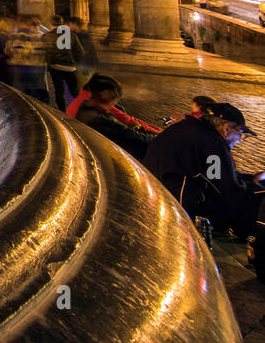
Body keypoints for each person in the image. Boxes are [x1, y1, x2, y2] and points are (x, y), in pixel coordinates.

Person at [143, 102, 265, 235]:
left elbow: (215, 174)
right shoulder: (213, 144)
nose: (240, 139)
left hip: (157, 194)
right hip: (183, 207)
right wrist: (255, 185)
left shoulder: (183, 128)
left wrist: (250, 178)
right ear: (226, 127)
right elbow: (229, 190)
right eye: (240, 133)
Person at [65, 73, 160, 158]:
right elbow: (129, 133)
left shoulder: (88, 103)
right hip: (108, 151)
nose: (115, 94)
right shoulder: (97, 115)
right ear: (103, 92)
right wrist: (158, 136)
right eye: (113, 92)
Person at [3, 16, 50, 103]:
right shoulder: (43, 38)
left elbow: (7, 50)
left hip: (20, 67)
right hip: (38, 68)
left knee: (22, 91)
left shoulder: (17, 36)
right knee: (38, 90)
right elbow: (49, 53)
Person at [43, 14, 82, 111]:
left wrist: (49, 63)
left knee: (59, 91)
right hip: (70, 67)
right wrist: (74, 62)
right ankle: (77, 110)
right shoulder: (71, 35)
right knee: (74, 92)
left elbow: (44, 53)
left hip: (55, 67)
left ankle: (62, 111)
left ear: (51, 24)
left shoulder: (46, 36)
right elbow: (80, 52)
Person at [69, 17, 97, 85]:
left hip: (83, 67)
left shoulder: (81, 36)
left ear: (74, 24)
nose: (68, 26)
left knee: (81, 86)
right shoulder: (85, 35)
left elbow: (82, 52)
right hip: (88, 65)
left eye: (69, 24)